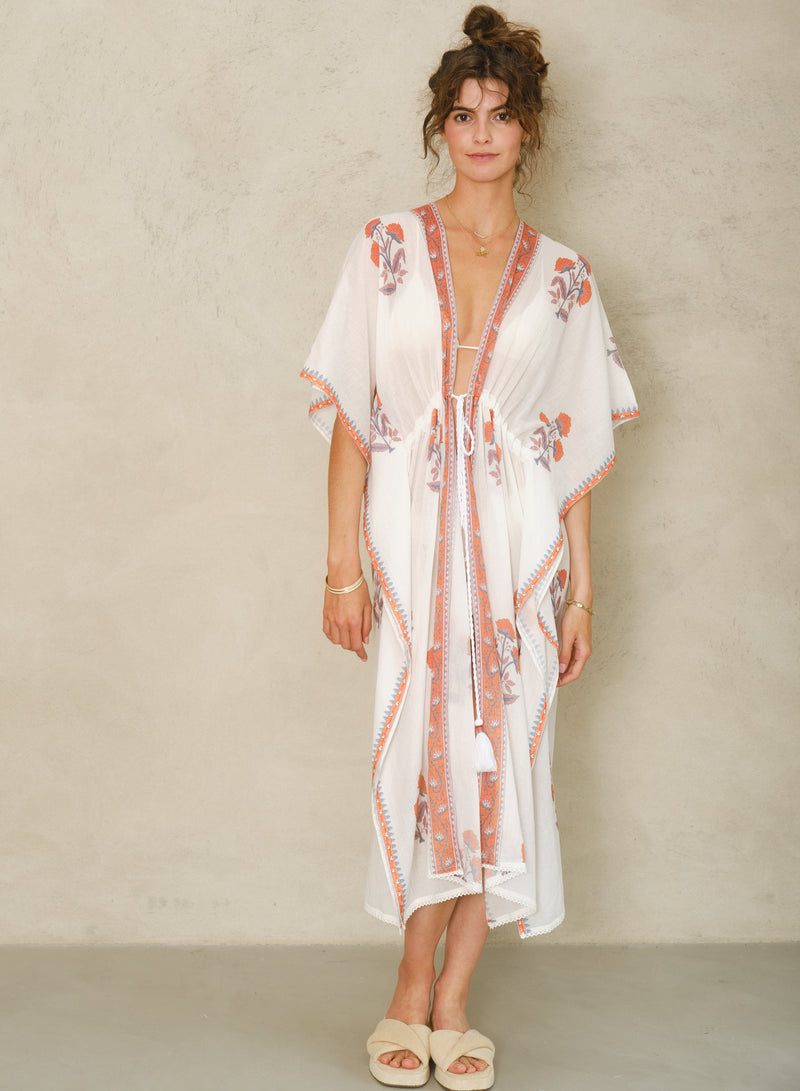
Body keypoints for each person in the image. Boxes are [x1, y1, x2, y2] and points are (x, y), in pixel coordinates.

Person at [301, 6, 638, 1087]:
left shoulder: (565, 276)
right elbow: (355, 421)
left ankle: (452, 998)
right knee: (429, 754)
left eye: (499, 114)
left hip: (515, 555)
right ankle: (410, 983)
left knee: (506, 759)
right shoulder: (386, 248)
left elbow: (568, 448)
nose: (480, 133)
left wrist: (581, 594)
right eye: (462, 114)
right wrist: (341, 566)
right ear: (440, 128)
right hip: (410, 549)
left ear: (528, 127)